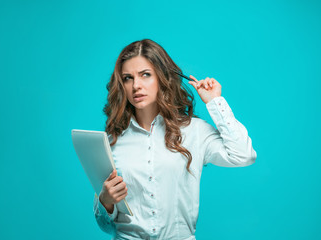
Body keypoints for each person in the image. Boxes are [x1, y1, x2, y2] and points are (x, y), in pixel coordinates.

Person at [93, 39, 257, 240]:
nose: (136, 85)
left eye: (145, 75)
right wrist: (105, 201)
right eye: (128, 78)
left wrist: (215, 102)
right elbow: (106, 227)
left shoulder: (194, 131)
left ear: (162, 78)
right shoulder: (111, 141)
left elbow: (243, 156)